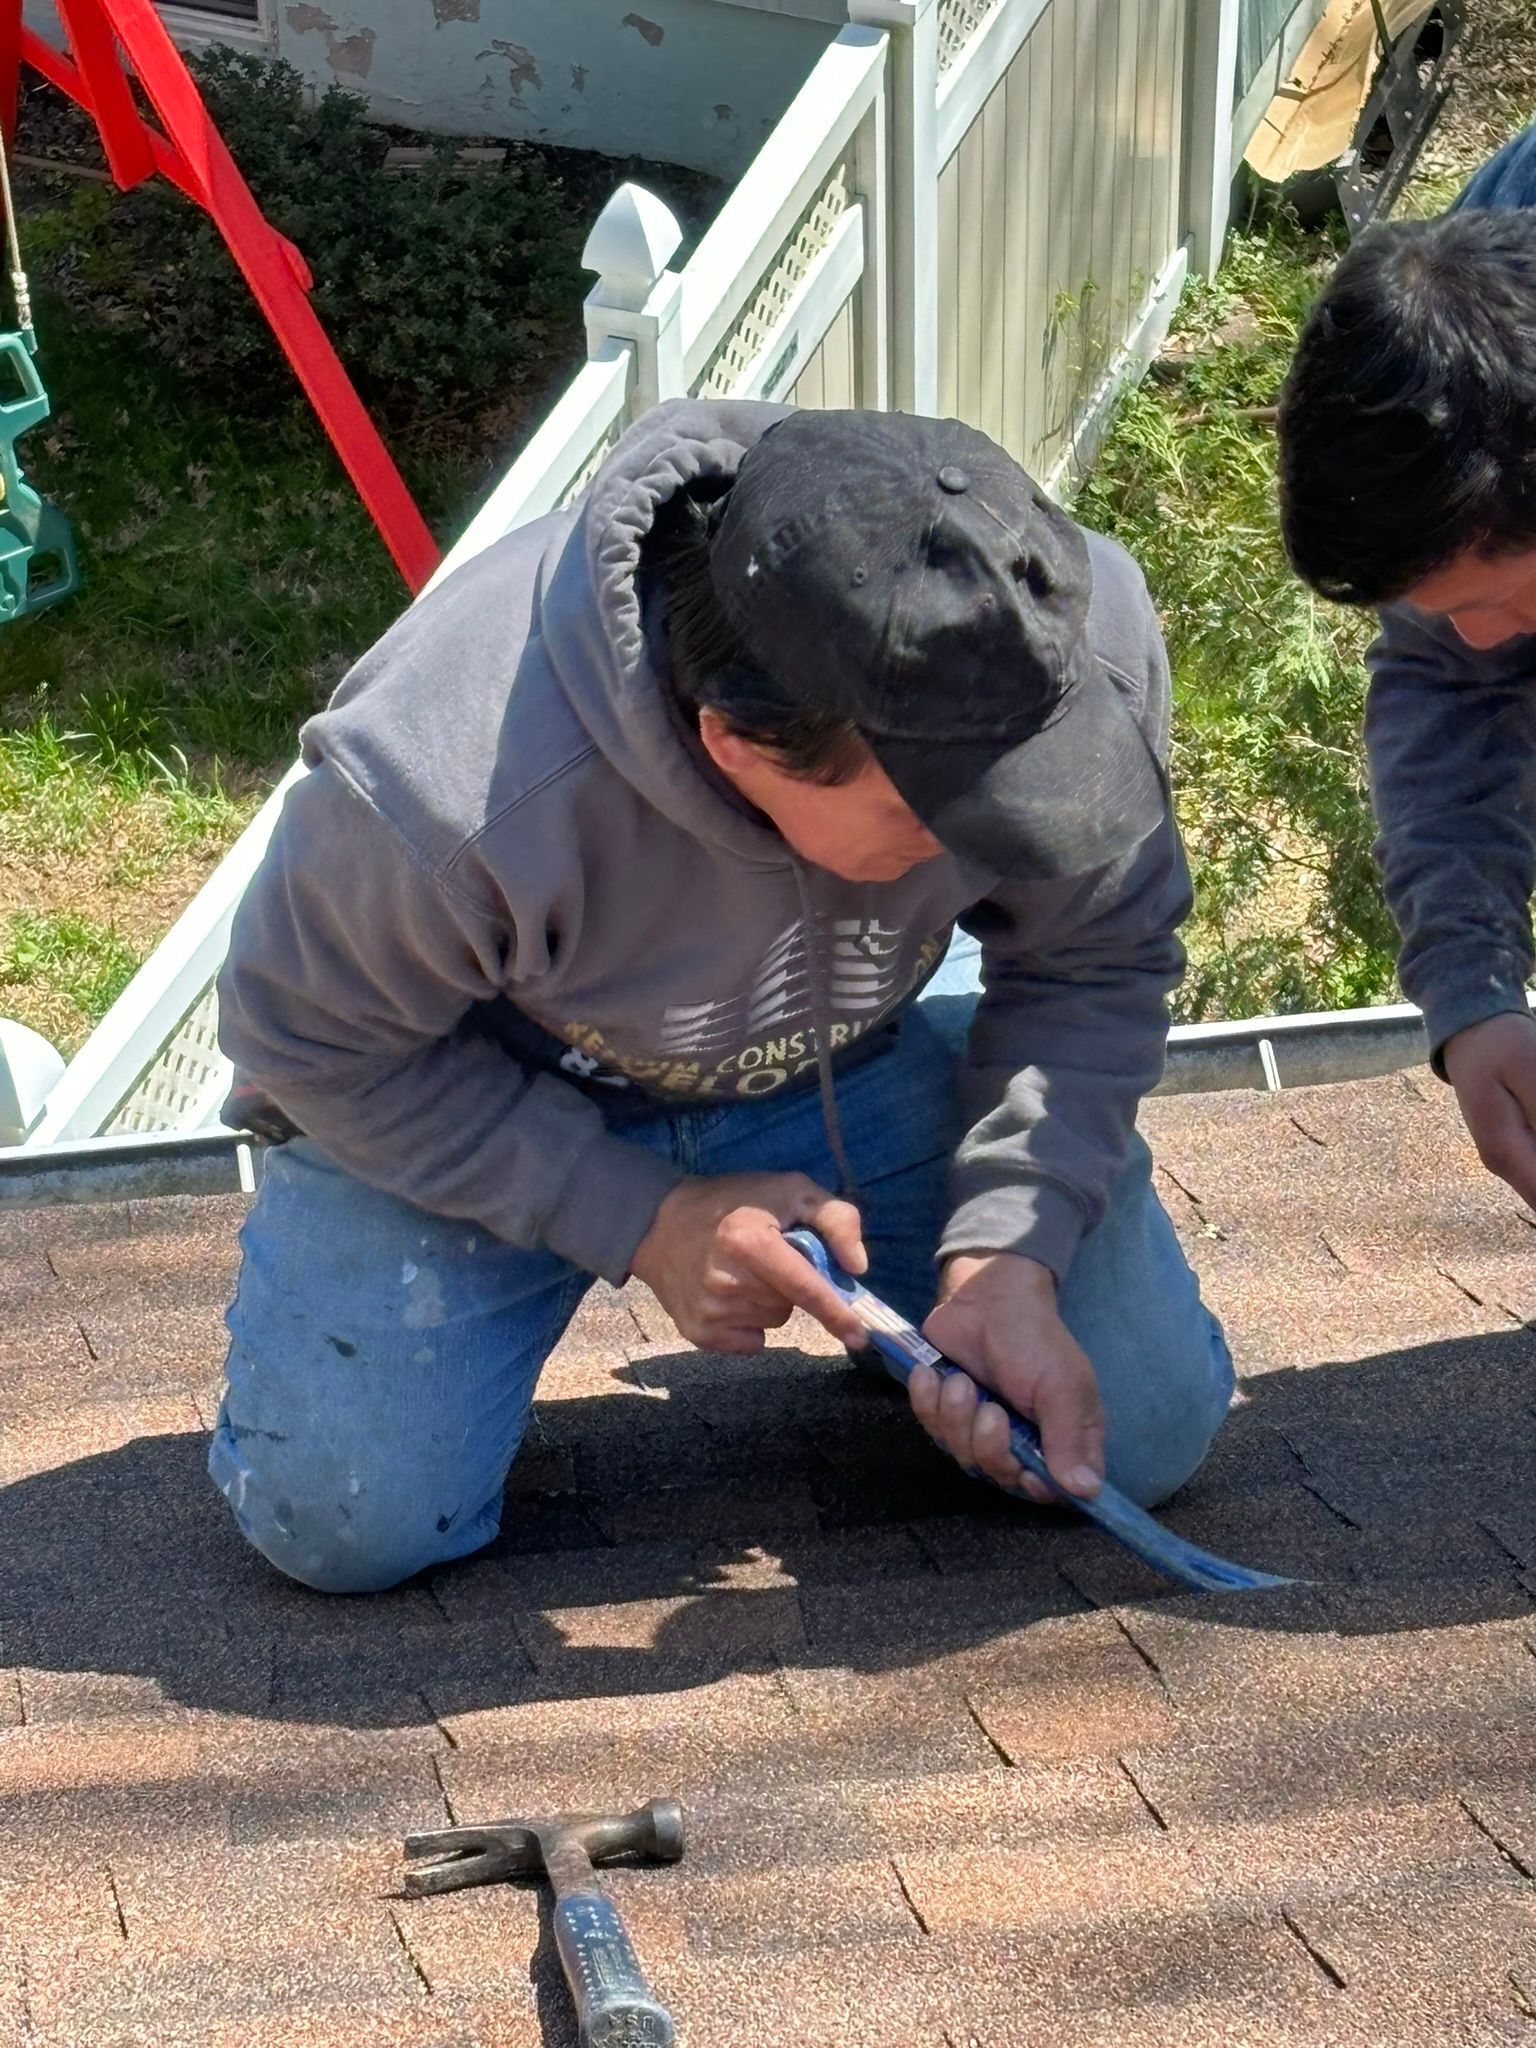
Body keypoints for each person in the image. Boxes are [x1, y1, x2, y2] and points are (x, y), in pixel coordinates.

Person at [211, 401, 1234, 1594]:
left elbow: (1097, 955)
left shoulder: (1058, 646)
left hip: (858, 1049)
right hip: (488, 1090)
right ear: (740, 743)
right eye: (934, 813)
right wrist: (639, 1215)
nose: (982, 841)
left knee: (1140, 1433)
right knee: (348, 1524)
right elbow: (311, 1043)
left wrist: (1012, 1242)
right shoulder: (446, 779)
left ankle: (904, 1303)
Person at [1277, 127, 1536, 1215]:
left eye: (1491, 599)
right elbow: (1451, 683)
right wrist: (1475, 993)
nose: (1478, 640)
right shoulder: (1468, 333)